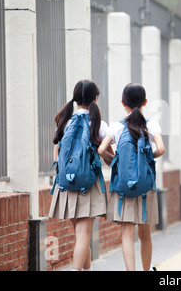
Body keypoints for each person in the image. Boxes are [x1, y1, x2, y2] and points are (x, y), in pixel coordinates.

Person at [98, 83, 165, 271]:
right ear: (145, 102)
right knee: (145, 233)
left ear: (122, 103)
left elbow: (101, 149)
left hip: (123, 186)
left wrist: (115, 162)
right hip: (146, 187)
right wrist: (146, 159)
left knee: (127, 232)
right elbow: (161, 148)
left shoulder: (117, 127)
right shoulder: (151, 124)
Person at [49, 80, 109, 271]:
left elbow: (56, 152)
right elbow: (108, 155)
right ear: (96, 99)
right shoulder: (98, 124)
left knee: (80, 234)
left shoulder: (65, 121)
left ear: (75, 99)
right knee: (83, 235)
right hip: (88, 185)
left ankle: (87, 269)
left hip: (66, 184)